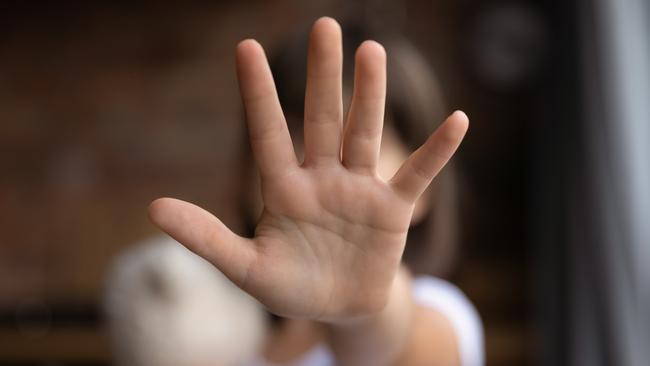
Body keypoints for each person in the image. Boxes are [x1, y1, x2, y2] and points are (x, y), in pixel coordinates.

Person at [106, 17, 484, 366]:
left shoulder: (439, 313)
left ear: (425, 189)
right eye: (295, 134)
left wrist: (361, 312)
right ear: (244, 172)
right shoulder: (228, 335)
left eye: (361, 141)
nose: (323, 168)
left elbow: (400, 347)